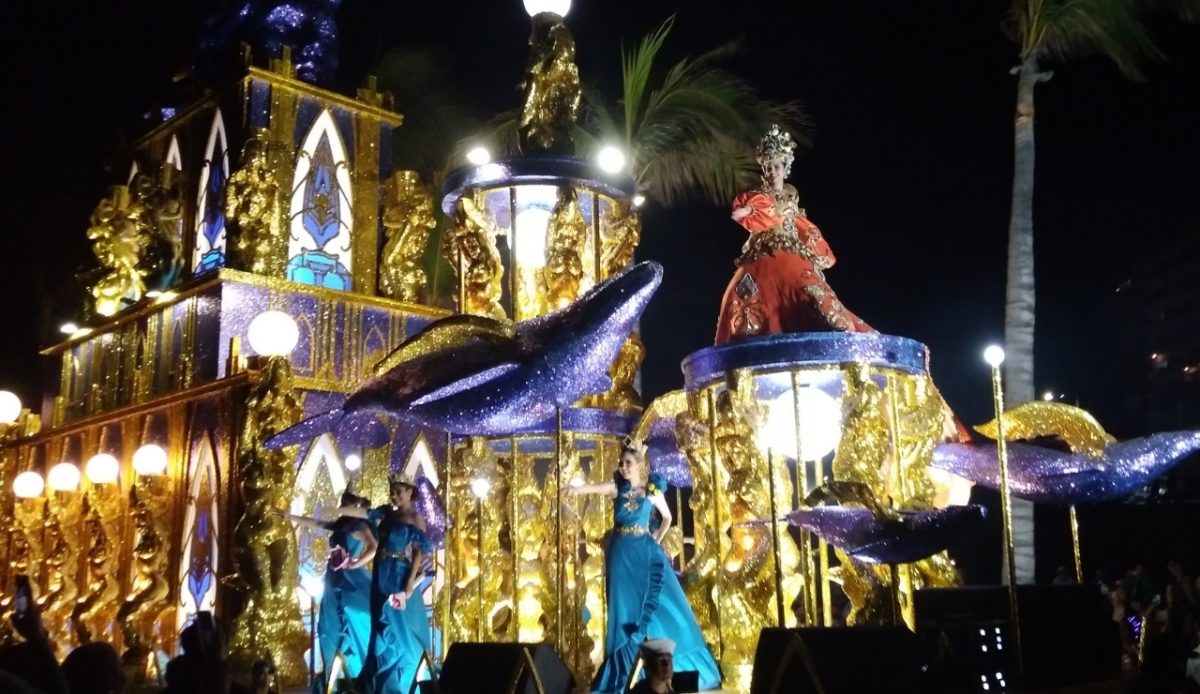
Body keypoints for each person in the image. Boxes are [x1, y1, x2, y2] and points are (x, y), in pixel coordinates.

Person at [566, 440, 721, 693]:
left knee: (663, 603)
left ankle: (676, 666)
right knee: (622, 612)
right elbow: (594, 487)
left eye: (628, 463)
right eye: (621, 463)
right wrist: (573, 490)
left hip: (644, 552)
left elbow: (667, 517)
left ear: (639, 464)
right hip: (620, 554)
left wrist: (655, 539)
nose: (623, 467)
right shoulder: (617, 487)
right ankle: (622, 675)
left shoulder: (651, 489)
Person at [715, 124, 872, 344]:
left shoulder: (791, 196)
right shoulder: (758, 197)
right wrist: (749, 210)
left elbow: (799, 223)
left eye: (776, 167)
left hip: (791, 252)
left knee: (809, 290)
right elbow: (753, 211)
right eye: (768, 167)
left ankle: (836, 330)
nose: (772, 172)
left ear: (785, 168)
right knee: (740, 296)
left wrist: (814, 244)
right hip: (763, 253)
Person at [288, 488, 378, 688]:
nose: (342, 505)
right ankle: (334, 673)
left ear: (355, 505)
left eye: (346, 502)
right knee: (329, 622)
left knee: (351, 615)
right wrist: (290, 517)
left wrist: (355, 563)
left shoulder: (360, 525)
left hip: (349, 577)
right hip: (333, 577)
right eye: (342, 501)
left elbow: (374, 547)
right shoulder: (342, 524)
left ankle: (355, 671)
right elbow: (317, 523)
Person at [359, 473, 433, 694]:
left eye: (399, 491)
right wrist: (341, 510)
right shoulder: (386, 513)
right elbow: (363, 514)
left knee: (394, 621)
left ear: (410, 492)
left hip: (398, 570)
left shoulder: (415, 518)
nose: (394, 495)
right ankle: (376, 679)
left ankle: (399, 683)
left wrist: (410, 580)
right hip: (380, 570)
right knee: (378, 623)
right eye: (392, 491)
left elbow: (419, 551)